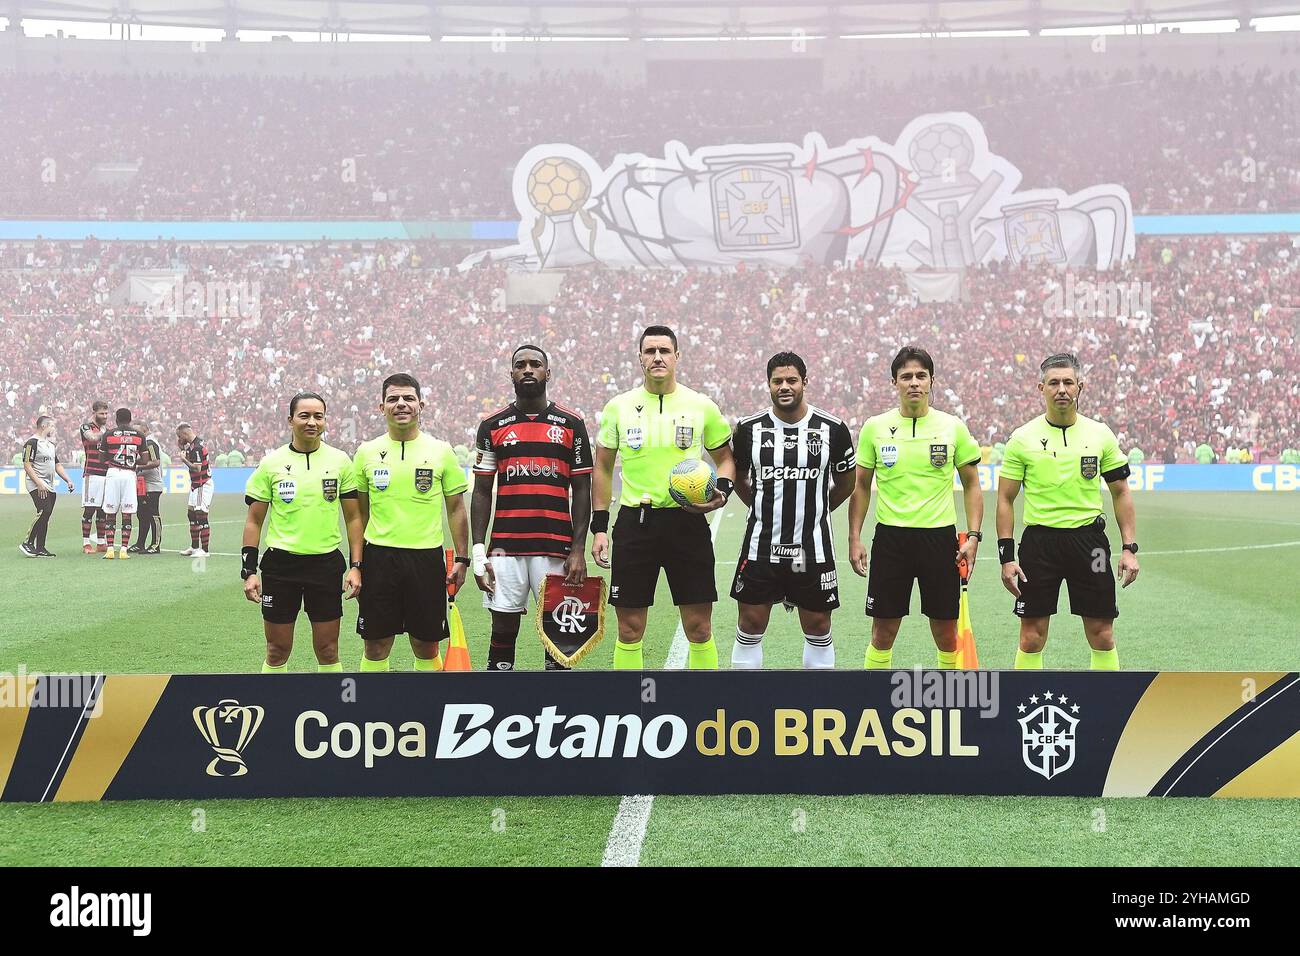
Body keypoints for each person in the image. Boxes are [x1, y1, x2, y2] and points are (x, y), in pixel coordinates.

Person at [591, 325, 735, 670]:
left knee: (699, 626)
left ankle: (705, 707)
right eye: (650, 351)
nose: (657, 357)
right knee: (629, 628)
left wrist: (723, 492)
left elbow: (726, 458)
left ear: (677, 357)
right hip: (635, 523)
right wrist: (599, 528)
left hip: (687, 521)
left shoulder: (700, 405)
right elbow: (603, 468)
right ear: (640, 358)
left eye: (664, 351)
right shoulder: (619, 407)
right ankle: (630, 712)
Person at [997, 352, 1140, 671]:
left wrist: (1129, 548)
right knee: (1031, 636)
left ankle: (1107, 712)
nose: (1061, 389)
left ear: (1080, 387)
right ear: (1041, 388)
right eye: (1053, 383)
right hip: (1039, 544)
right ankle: (1024, 710)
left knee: (1102, 634)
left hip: (1089, 544)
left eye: (1068, 382)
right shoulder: (1022, 438)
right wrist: (1007, 557)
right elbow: (1005, 499)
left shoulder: (1100, 434)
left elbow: (1121, 492)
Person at [847, 346, 983, 669]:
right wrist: (855, 537)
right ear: (894, 382)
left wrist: (973, 536)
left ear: (932, 381)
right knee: (882, 632)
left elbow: (973, 485)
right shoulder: (874, 428)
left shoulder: (952, 427)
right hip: (891, 541)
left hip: (940, 541)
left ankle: (950, 703)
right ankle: (874, 701)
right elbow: (861, 486)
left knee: (947, 633)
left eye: (921, 376)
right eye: (906, 376)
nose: (914, 383)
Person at [729, 352, 856, 669]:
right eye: (777, 381)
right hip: (761, 547)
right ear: (768, 384)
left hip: (811, 550)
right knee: (750, 624)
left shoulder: (833, 429)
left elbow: (846, 483)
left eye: (791, 380)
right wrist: (761, 508)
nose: (784, 386)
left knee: (818, 627)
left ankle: (817, 707)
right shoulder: (748, 429)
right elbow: (740, 479)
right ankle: (745, 707)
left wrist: (817, 512)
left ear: (805, 382)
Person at [471, 344, 592, 671]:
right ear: (511, 374)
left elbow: (582, 489)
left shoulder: (571, 424)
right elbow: (482, 490)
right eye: (520, 365)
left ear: (547, 373)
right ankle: (501, 704)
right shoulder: (492, 425)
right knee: (503, 630)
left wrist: (578, 549)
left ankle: (558, 710)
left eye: (535, 364)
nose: (528, 370)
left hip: (556, 549)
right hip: (505, 550)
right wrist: (479, 551)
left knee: (558, 635)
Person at [352, 373, 470, 672]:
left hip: (426, 557)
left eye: (408, 398)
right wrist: (357, 563)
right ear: (382, 407)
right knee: (376, 644)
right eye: (393, 399)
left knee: (426, 644)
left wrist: (462, 557)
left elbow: (456, 508)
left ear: (421, 405)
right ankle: (374, 711)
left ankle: (425, 711)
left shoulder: (441, 451)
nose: (401, 404)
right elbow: (359, 515)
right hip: (379, 556)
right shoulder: (366, 452)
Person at [241, 391, 364, 673]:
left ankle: (332, 710)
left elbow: (354, 518)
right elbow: (254, 521)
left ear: (325, 421)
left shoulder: (340, 461)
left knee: (328, 650)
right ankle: (272, 709)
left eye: (318, 416)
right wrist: (249, 570)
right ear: (290, 420)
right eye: (304, 415)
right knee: (276, 650)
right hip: (280, 566)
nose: (311, 422)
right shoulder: (271, 463)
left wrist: (357, 566)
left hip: (325, 565)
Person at [20, 416, 75, 558]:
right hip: (36, 483)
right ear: (44, 426)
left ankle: (40, 547)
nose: (53, 429)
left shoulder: (50, 445)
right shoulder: (31, 443)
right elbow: (27, 464)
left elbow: (57, 465)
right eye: (52, 426)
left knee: (46, 515)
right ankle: (27, 543)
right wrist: (39, 483)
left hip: (50, 485)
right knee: (44, 511)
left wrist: (67, 479)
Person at [98, 408, 147, 560]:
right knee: (127, 513)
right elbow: (145, 460)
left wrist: (115, 459)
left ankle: (111, 549)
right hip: (129, 474)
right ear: (130, 419)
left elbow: (101, 459)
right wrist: (131, 460)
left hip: (113, 473)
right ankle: (124, 550)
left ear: (116, 419)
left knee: (110, 512)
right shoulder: (139, 436)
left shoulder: (109, 434)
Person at [79, 400, 110, 554]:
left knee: (103, 510)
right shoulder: (86, 426)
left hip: (106, 473)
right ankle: (86, 544)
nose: (105, 416)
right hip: (92, 473)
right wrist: (104, 432)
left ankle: (101, 542)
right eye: (101, 413)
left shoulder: (106, 429)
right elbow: (92, 438)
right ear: (94, 412)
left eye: (106, 413)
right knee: (90, 509)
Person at [128, 422, 165, 555]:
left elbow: (156, 462)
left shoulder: (150, 443)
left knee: (153, 515)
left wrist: (138, 466)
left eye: (138, 431)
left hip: (153, 485)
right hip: (144, 484)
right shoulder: (145, 443)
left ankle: (156, 544)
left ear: (145, 429)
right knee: (142, 515)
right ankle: (140, 543)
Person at [177, 423, 212, 557]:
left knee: (201, 514)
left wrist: (184, 460)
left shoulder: (196, 447)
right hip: (196, 484)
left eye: (180, 436)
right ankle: (194, 547)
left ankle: (205, 550)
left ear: (185, 434)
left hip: (202, 484)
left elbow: (197, 468)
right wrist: (182, 447)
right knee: (191, 514)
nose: (180, 439)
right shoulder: (195, 443)